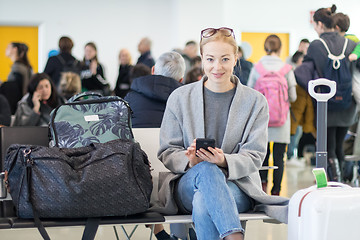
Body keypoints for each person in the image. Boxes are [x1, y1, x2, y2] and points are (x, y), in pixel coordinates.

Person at [155, 27, 288, 240]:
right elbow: (167, 151)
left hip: (237, 186)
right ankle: (234, 236)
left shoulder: (255, 102)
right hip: (188, 183)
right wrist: (190, 161)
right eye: (210, 59)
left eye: (225, 59)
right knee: (207, 170)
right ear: (201, 59)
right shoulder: (179, 98)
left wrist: (224, 160)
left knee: (203, 202)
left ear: (236, 59)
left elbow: (255, 155)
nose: (217, 67)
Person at [302, 4, 357, 181]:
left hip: (325, 103)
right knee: (340, 145)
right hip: (348, 103)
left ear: (319, 24)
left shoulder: (316, 45)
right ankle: (341, 184)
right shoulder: (351, 43)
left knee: (326, 147)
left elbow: (303, 73)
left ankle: (331, 183)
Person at [247, 34, 297, 195]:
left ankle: (262, 188)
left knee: (262, 155)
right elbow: (293, 96)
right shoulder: (286, 69)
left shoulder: (257, 68)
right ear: (280, 48)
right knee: (279, 157)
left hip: (262, 121)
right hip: (282, 121)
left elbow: (250, 93)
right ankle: (276, 191)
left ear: (265, 48)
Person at [125, 51, 184, 128]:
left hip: (139, 139)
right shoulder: (186, 102)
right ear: (181, 80)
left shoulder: (130, 98)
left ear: (152, 70)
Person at [2, 42, 33, 114]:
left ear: (15, 49)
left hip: (16, 107)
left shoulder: (18, 67)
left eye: (8, 47)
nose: (6, 50)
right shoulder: (26, 66)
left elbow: (14, 90)